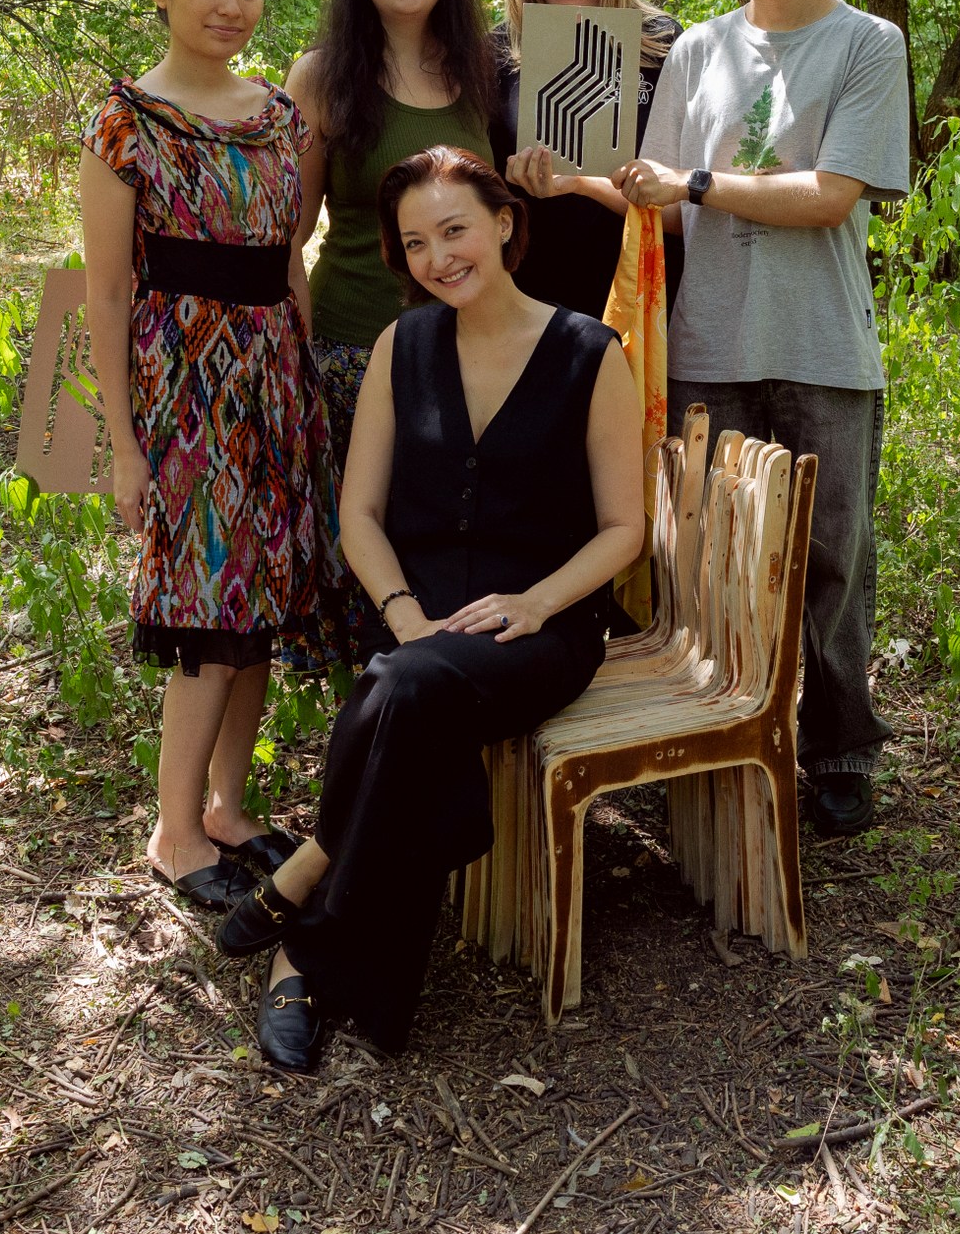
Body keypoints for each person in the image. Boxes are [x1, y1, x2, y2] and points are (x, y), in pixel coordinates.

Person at [214, 147, 643, 1069]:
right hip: (418, 624)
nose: (438, 257)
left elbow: (624, 529)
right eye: (415, 242)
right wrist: (405, 614)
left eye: (455, 230)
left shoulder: (589, 352)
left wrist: (538, 600)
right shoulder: (399, 348)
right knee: (411, 686)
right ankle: (317, 927)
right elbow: (359, 516)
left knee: (404, 688)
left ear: (504, 222)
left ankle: (308, 899)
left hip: (540, 628)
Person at [613, 0, 912, 839]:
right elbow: (653, 202)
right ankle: (718, 739)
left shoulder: (867, 44)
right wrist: (554, 180)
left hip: (823, 344)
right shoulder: (697, 50)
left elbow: (829, 195)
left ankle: (838, 751)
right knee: (709, 561)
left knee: (830, 561)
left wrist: (697, 182)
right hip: (709, 345)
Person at [81, 0, 333, 911]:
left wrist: (302, 386)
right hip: (183, 393)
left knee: (257, 604)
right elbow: (104, 295)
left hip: (273, 384)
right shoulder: (125, 122)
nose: (231, 4)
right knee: (206, 607)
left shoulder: (278, 116)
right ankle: (174, 830)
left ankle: (227, 806)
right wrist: (123, 445)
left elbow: (287, 259)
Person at [287, 0, 514, 662]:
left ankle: (443, 704)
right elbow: (289, 236)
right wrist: (297, 356)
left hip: (463, 362)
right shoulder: (319, 77)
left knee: (449, 560)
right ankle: (370, 717)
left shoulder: (480, 70)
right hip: (351, 354)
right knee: (365, 565)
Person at [492, 0, 686, 317]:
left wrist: (582, 183)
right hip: (531, 301)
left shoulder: (664, 42)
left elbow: (686, 200)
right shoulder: (491, 53)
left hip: (642, 297)